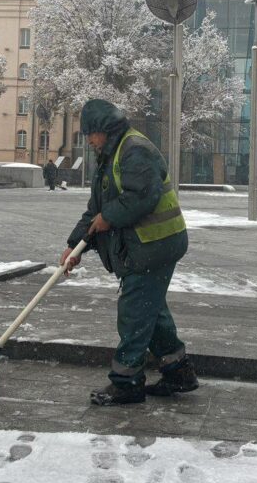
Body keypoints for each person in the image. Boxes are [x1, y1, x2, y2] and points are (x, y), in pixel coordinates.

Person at [61, 98, 198, 405]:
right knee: (151, 310)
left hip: (156, 245)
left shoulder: (134, 149)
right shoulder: (110, 154)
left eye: (89, 133)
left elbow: (141, 197)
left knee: (135, 313)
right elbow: (96, 211)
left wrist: (108, 218)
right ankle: (178, 371)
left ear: (103, 129)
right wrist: (75, 245)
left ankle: (127, 381)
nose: (88, 140)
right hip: (146, 246)